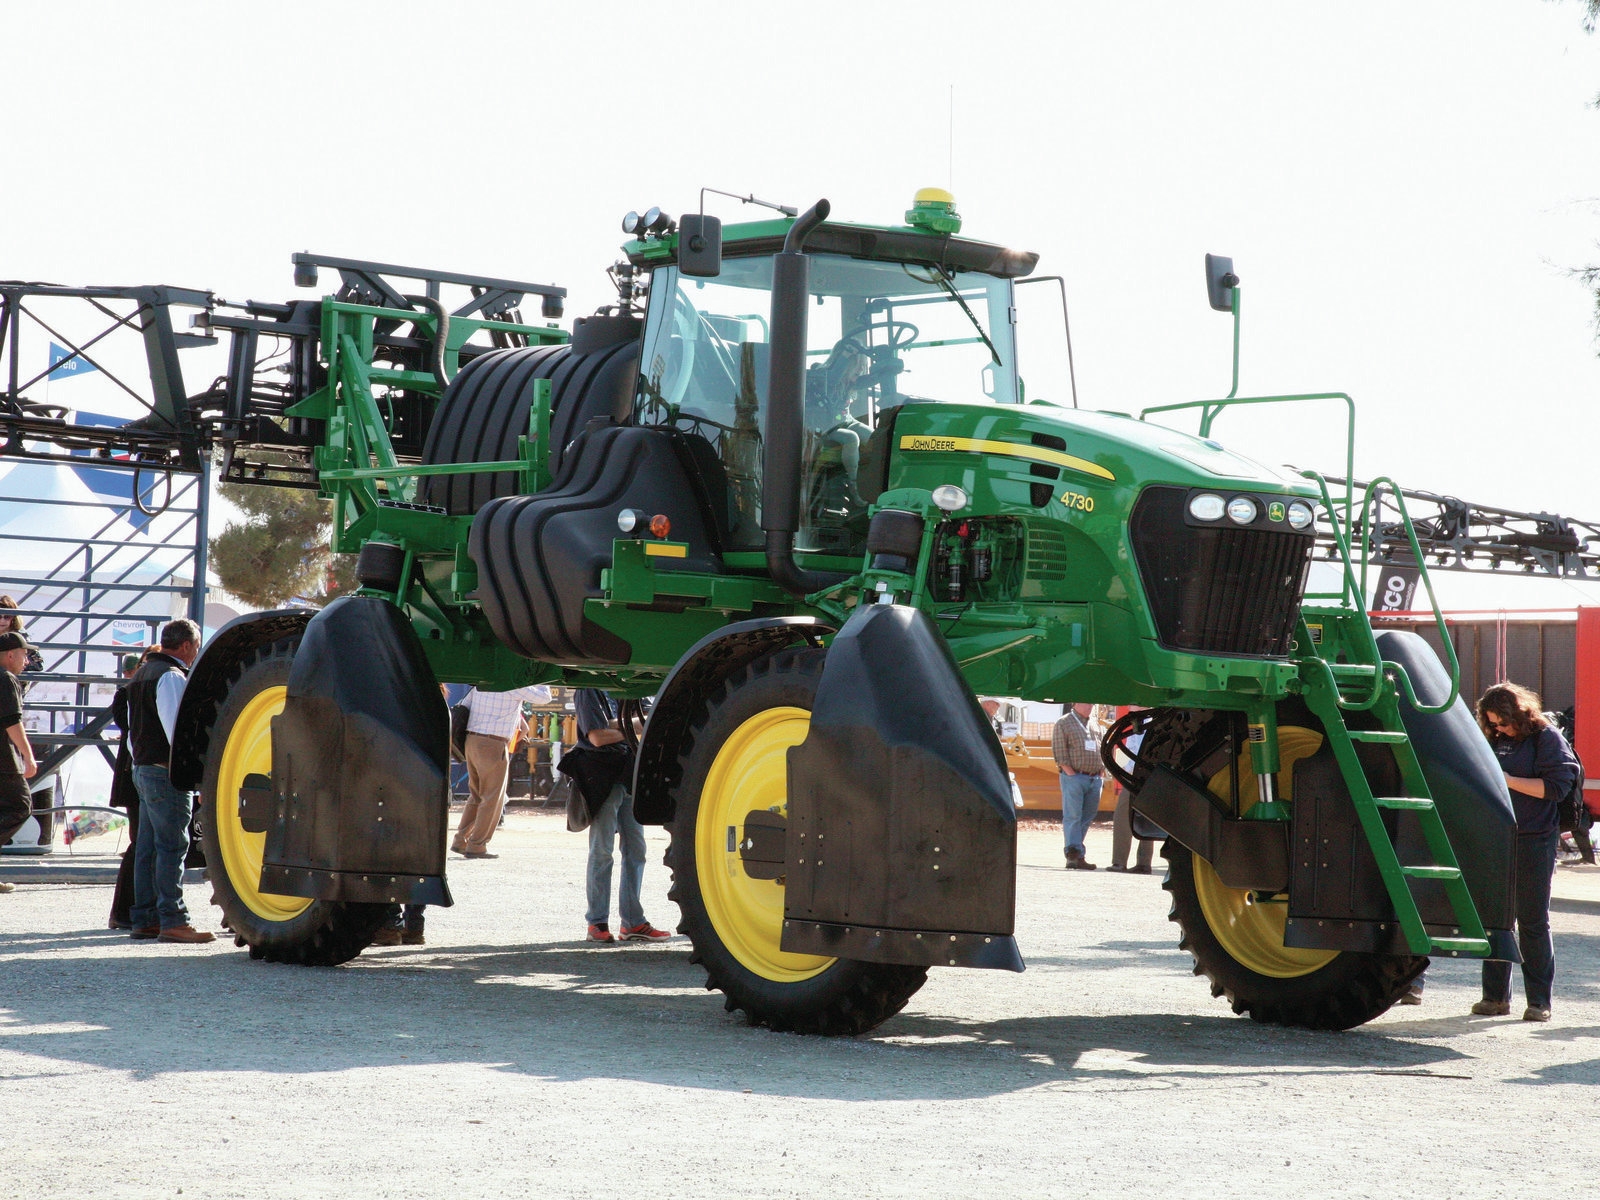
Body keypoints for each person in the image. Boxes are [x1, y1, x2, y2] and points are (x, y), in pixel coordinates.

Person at [1468, 682, 1577, 1022]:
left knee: (1532, 922)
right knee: (1496, 920)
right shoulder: (1495, 738)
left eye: (1504, 721)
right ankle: (1495, 998)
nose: (1499, 728)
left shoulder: (1546, 738)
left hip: (1534, 839)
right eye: (1493, 723)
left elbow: (1557, 788)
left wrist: (1507, 780)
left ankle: (1539, 1001)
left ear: (1521, 714)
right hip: (1498, 838)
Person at [126, 619, 214, 944]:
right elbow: (178, 732)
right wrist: (199, 776)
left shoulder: (142, 674)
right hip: (165, 772)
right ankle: (174, 919)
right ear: (188, 645)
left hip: (143, 768)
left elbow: (132, 733)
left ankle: (145, 918)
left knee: (147, 848)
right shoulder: (171, 676)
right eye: (197, 645)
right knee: (172, 846)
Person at [575, 688, 669, 944]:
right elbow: (596, 737)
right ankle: (597, 922)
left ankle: (632, 922)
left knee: (636, 850)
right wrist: (633, 727)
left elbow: (653, 719)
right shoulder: (589, 688)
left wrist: (615, 727)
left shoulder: (633, 686)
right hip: (602, 775)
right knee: (602, 850)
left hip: (629, 773)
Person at [453, 684, 552, 857]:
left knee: (476, 795)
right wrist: (544, 680)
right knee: (492, 799)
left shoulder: (482, 683)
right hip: (494, 743)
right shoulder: (514, 684)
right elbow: (545, 698)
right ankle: (477, 845)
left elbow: (464, 705)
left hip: (472, 740)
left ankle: (461, 840)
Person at [0, 631, 40, 893]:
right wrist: (28, 755)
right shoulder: (6, 679)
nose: (27, 660)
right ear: (11, 654)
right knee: (20, 806)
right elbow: (12, 721)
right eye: (24, 654)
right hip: (3, 760)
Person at [107, 652, 144, 929]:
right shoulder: (126, 694)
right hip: (136, 775)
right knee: (139, 843)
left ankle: (134, 910)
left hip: (139, 774)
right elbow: (129, 728)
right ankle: (124, 911)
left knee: (143, 842)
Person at [1053, 701, 1104, 870]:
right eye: (1087, 703)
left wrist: (1101, 772)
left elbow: (1101, 749)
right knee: (1073, 816)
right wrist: (1071, 774)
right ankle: (1073, 854)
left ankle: (1077, 852)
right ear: (1075, 704)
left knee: (1087, 816)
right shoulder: (1064, 723)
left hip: (1094, 778)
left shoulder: (1095, 725)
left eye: (1092, 703)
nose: (1090, 706)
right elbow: (1060, 752)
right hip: (1074, 776)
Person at [1108, 707, 1155, 874]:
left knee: (1147, 818)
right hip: (1131, 776)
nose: (1130, 707)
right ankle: (1119, 862)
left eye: (1135, 705)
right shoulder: (1133, 726)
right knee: (1122, 817)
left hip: (1146, 778)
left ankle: (1144, 863)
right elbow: (1127, 750)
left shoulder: (1154, 726)